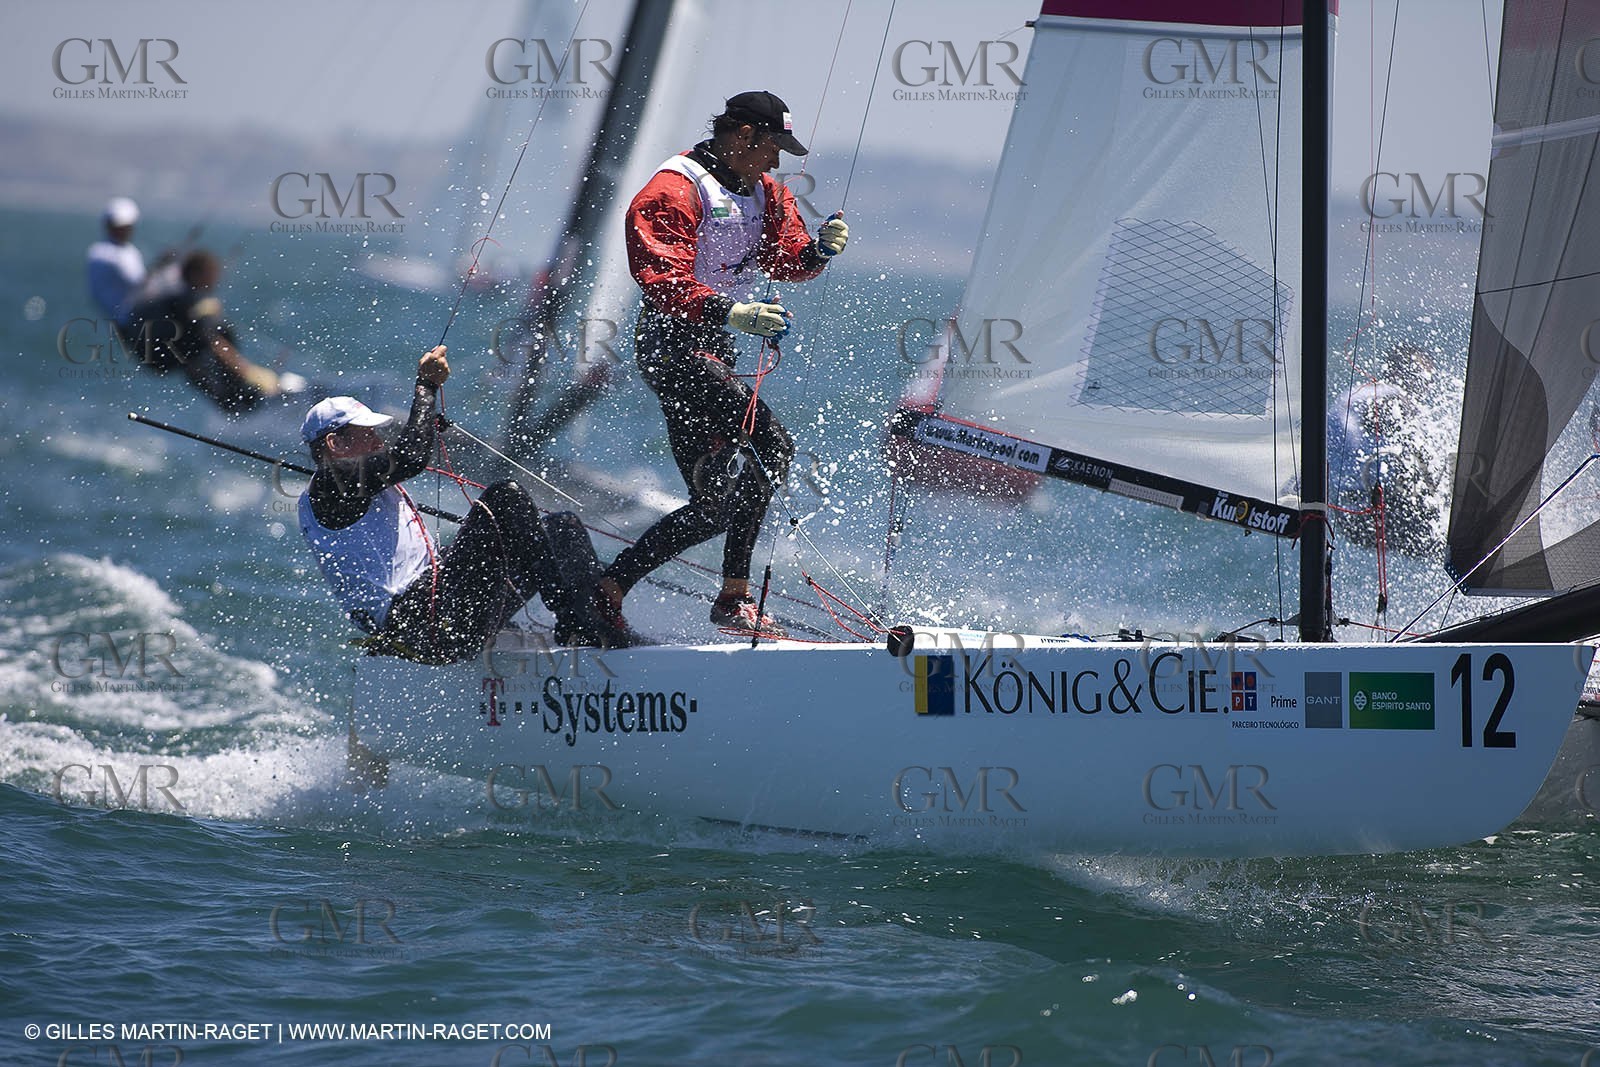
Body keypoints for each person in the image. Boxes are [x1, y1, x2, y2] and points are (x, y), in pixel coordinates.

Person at [595, 90, 852, 637]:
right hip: (674, 347)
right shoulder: (673, 190)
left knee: (713, 507)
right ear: (740, 135)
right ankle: (734, 597)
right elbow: (661, 282)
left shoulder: (766, 192)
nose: (777, 161)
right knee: (774, 444)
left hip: (718, 349)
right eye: (772, 147)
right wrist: (732, 310)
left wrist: (817, 253)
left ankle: (608, 589)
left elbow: (783, 261)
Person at [299, 345, 633, 661]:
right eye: (367, 433)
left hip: (440, 609)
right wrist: (426, 386)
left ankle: (599, 625)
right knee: (505, 496)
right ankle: (573, 621)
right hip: (419, 626)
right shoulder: (330, 486)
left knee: (561, 528)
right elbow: (411, 457)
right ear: (335, 442)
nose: (376, 440)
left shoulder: (360, 486)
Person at [126, 249, 300, 414]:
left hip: (179, 361)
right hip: (192, 360)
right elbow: (212, 340)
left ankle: (242, 407)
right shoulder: (196, 299)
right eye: (211, 274)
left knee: (226, 394)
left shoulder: (176, 294)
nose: (216, 279)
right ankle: (255, 404)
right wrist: (250, 373)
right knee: (236, 393)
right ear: (196, 275)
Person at [1327, 342, 1443, 554]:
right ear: (1403, 372)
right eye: (1426, 378)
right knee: (1456, 543)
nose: (1428, 386)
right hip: (1378, 512)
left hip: (1346, 517)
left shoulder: (1350, 395)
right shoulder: (1396, 397)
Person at [86, 197, 146, 331]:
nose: (123, 231)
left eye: (126, 227)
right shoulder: (101, 253)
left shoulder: (127, 250)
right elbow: (137, 281)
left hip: (134, 319)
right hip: (128, 323)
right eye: (118, 227)